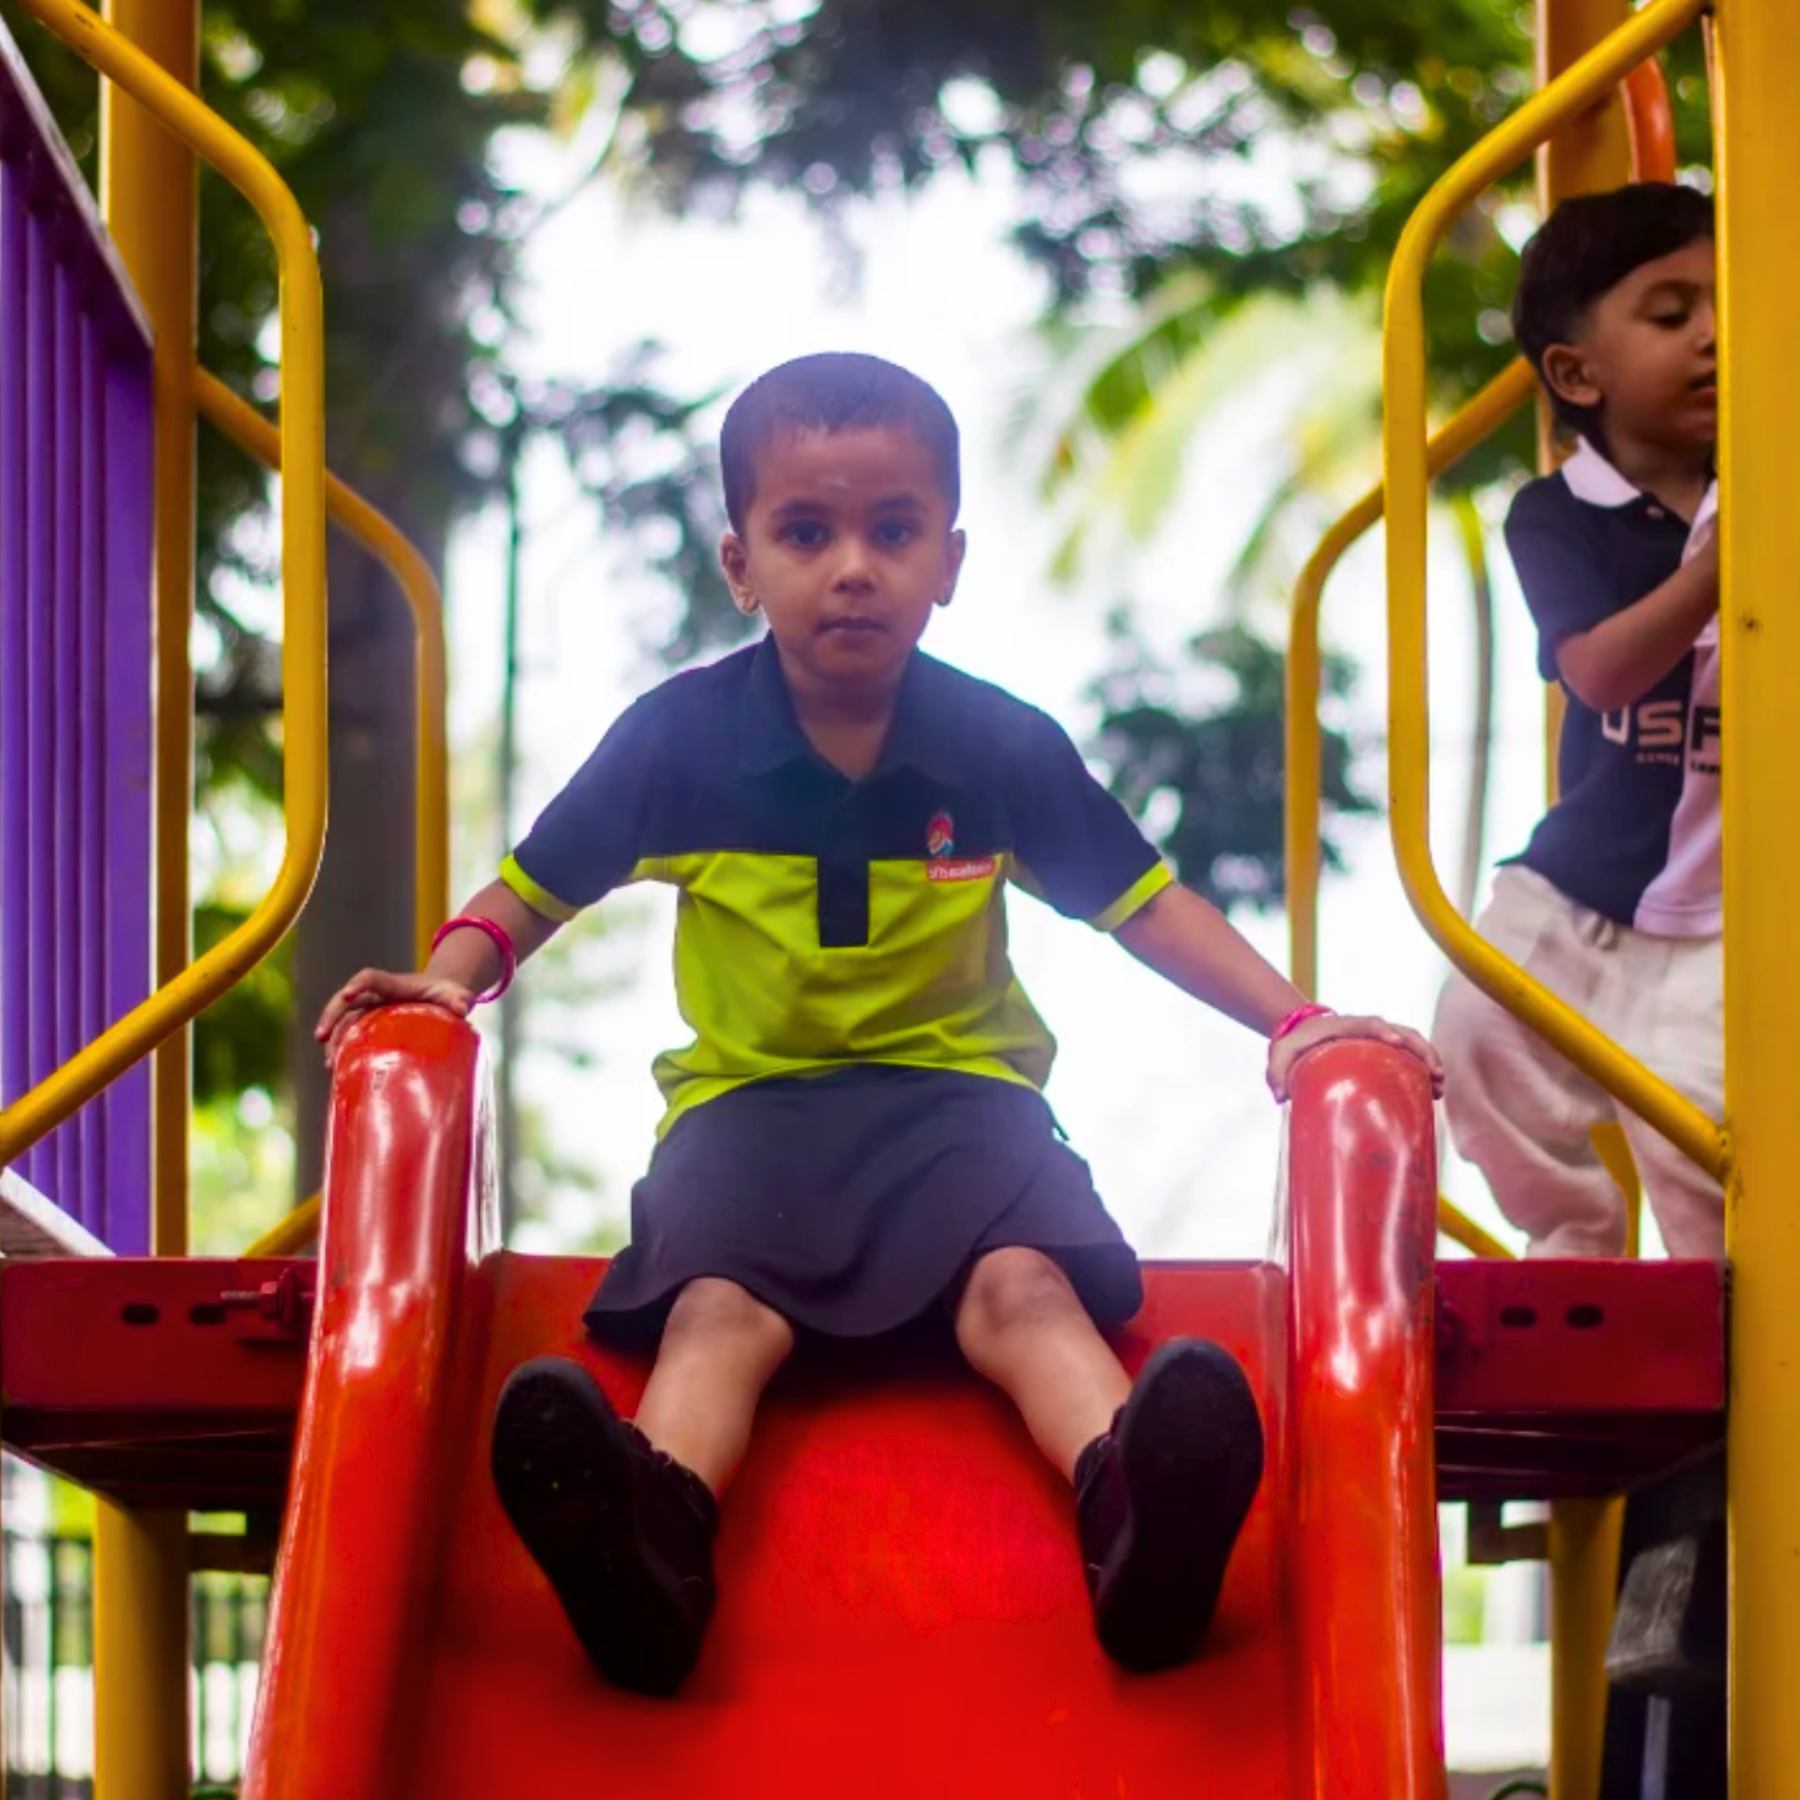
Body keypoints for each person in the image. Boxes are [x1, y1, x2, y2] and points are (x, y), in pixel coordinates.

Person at [315, 352, 1441, 1696]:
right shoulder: (677, 742)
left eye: (893, 532)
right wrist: (446, 982)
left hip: (964, 1111)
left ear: (949, 559)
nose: (853, 566)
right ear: (742, 563)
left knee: (1025, 1294)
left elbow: (1143, 907)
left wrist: (1298, 1020)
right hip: (750, 1114)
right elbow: (530, 894)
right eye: (808, 533)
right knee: (720, 1316)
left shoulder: (998, 746)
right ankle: (650, 1547)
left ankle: (1139, 1510)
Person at [1434, 183, 1722, 1260]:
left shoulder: (1766, 483)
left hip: (1731, 903)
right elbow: (1598, 671)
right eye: (1671, 312)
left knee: (1698, 1115)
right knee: (1476, 1032)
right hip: (1585, 876)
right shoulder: (1556, 513)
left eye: (1727, 306)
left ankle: (1729, 1330)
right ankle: (1572, 1235)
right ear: (1576, 372)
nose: (1714, 334)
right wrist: (1719, 572)